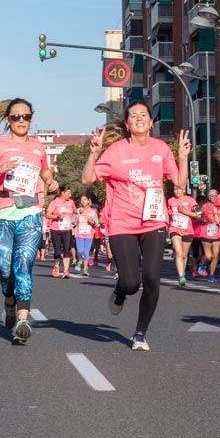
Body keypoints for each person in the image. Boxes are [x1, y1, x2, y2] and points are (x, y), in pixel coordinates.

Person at [82, 102, 189, 351]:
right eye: (133, 116)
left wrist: (183, 158)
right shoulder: (116, 151)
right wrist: (94, 154)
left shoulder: (161, 149)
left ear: (152, 122)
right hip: (122, 223)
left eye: (144, 115)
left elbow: (179, 184)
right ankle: (121, 288)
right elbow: (87, 179)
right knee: (132, 284)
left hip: (154, 220)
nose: (139, 118)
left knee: (152, 278)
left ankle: (140, 333)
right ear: (127, 124)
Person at [0, 98, 57, 345]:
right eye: (16, 117)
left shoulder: (38, 147)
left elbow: (46, 172)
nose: (21, 121)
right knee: (6, 268)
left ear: (32, 118)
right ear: (8, 120)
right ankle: (9, 302)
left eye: (26, 116)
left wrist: (51, 182)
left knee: (24, 263)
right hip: (0, 212)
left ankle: (22, 319)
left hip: (29, 210)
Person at [167, 183, 199, 287]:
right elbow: (167, 211)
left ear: (184, 190)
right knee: (179, 252)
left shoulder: (190, 200)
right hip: (174, 228)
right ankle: (181, 276)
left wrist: (184, 212)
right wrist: (170, 212)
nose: (177, 191)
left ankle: (183, 274)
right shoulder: (171, 200)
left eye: (179, 189)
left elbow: (198, 215)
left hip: (187, 230)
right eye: (175, 189)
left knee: (184, 255)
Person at [46, 187, 77, 278]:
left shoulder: (71, 202)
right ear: (62, 193)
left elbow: (76, 212)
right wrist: (57, 216)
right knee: (57, 251)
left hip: (67, 229)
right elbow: (47, 214)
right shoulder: (54, 202)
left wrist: (75, 219)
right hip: (55, 229)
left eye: (70, 193)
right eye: (68, 193)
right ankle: (56, 266)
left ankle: (66, 271)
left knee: (66, 250)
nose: (70, 195)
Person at [73, 196, 99, 275]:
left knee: (86, 252)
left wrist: (92, 222)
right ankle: (79, 261)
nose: (83, 201)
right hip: (79, 233)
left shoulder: (93, 211)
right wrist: (74, 222)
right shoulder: (78, 210)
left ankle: (85, 269)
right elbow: (74, 221)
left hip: (89, 234)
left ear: (88, 201)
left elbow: (96, 223)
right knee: (80, 250)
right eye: (81, 200)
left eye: (84, 200)